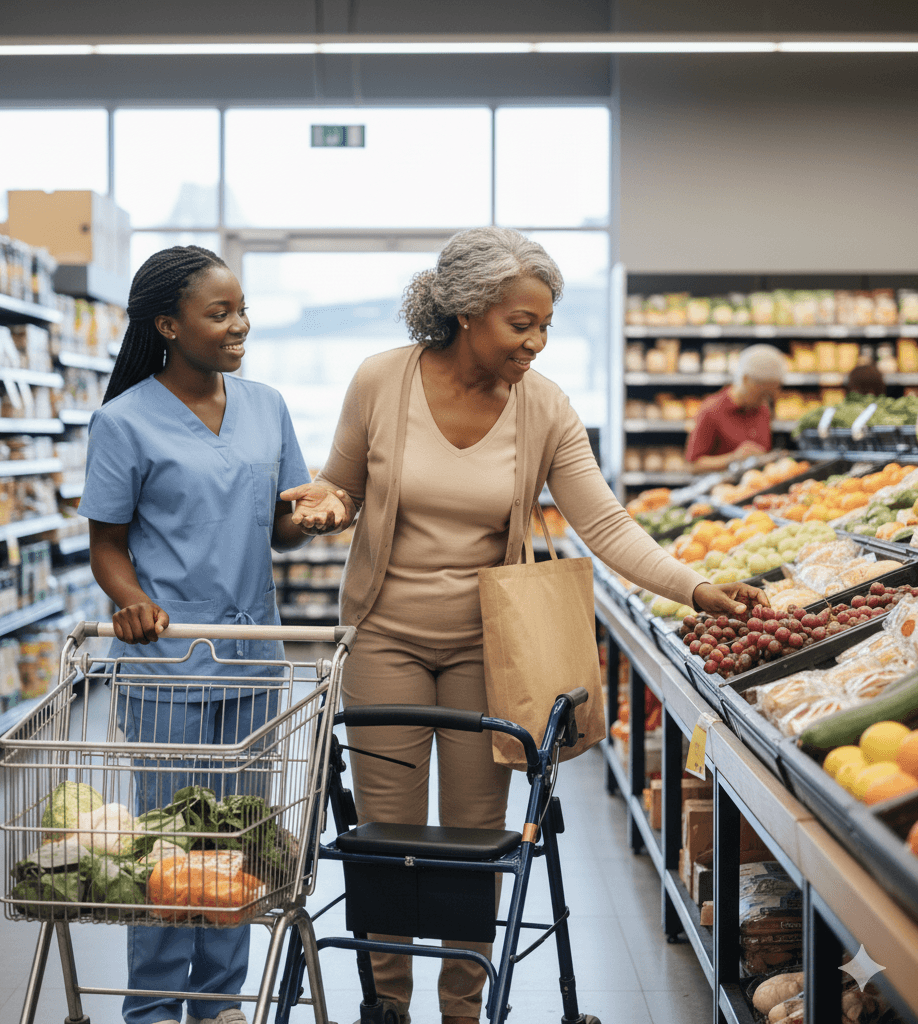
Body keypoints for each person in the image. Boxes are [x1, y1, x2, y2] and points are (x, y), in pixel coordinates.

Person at [281, 227, 765, 1024]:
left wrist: (695, 586)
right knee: (386, 835)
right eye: (521, 324)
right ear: (466, 311)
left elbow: (603, 523)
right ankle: (386, 1002)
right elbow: (339, 485)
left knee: (476, 835)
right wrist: (329, 510)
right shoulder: (380, 381)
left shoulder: (544, 407)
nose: (537, 342)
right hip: (383, 637)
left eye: (545, 325)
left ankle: (463, 1006)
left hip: (489, 647)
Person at [79, 245, 345, 1024]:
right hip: (168, 664)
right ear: (169, 325)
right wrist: (132, 603)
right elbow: (106, 546)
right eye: (219, 313)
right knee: (171, 849)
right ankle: (156, 1007)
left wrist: (315, 518)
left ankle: (220, 1002)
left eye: (242, 310)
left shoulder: (266, 406)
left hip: (255, 660)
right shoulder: (124, 421)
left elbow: (281, 526)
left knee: (239, 843)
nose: (240, 326)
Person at [685, 343, 787, 473]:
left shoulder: (763, 409)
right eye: (762, 394)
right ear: (745, 380)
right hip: (721, 484)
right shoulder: (711, 410)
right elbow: (693, 465)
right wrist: (733, 458)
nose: (765, 400)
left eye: (769, 395)